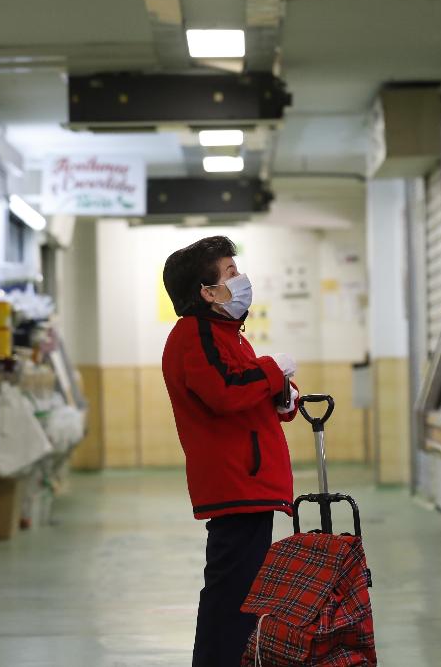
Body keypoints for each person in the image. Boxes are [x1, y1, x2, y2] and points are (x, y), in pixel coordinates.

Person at [161, 236, 299, 666]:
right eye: (230, 273)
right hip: (235, 481)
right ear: (208, 292)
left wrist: (283, 395)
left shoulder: (226, 334)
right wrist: (273, 371)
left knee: (243, 590)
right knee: (232, 593)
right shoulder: (195, 333)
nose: (241, 280)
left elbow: (245, 392)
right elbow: (223, 392)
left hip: (250, 480)